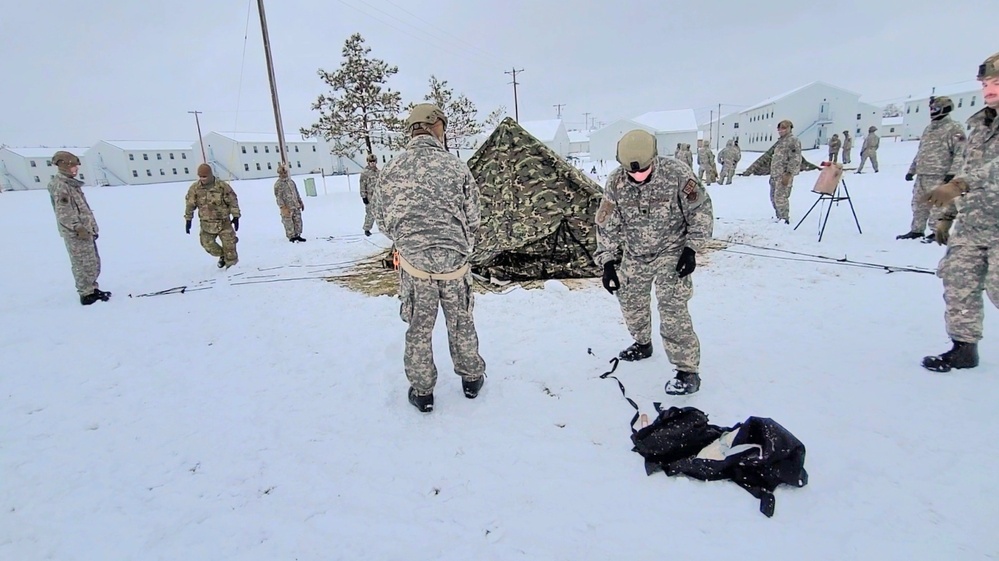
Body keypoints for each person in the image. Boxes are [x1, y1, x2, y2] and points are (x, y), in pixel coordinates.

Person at [376, 103, 486, 412]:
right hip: (454, 266)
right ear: (436, 125)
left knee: (419, 329)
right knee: (461, 321)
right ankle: (472, 378)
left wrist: (411, 243)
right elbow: (474, 217)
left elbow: (383, 221)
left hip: (415, 268)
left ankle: (423, 392)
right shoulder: (456, 167)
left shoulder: (390, 170)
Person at [595, 130, 714, 395]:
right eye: (632, 172)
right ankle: (642, 342)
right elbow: (607, 225)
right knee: (629, 298)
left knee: (671, 304)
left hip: (671, 249)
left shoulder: (677, 174)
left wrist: (692, 249)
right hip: (636, 252)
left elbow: (701, 211)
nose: (638, 176)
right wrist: (607, 262)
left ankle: (687, 370)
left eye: (643, 171)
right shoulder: (615, 182)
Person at [922, 52, 999, 373]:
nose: (988, 90)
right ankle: (964, 348)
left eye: (996, 83)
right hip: (972, 225)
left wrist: (960, 185)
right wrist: (947, 216)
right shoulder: (980, 125)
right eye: (985, 83)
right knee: (958, 282)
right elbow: (966, 169)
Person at [896, 96, 966, 242]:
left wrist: (953, 173)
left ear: (945, 109)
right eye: (932, 109)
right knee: (918, 203)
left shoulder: (954, 128)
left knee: (938, 205)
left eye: (936, 109)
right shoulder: (928, 129)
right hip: (923, 174)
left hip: (940, 174)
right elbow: (921, 151)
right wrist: (912, 170)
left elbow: (961, 151)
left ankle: (937, 233)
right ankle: (917, 230)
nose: (932, 112)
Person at [47, 151, 110, 305]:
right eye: (73, 166)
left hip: (85, 232)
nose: (76, 169)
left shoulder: (70, 184)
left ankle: (92, 288)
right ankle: (86, 294)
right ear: (64, 165)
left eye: (76, 166)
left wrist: (90, 228)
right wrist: (78, 228)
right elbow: (64, 213)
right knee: (82, 263)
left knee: (91, 262)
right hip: (76, 234)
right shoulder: (61, 186)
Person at [184, 163, 241, 268]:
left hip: (224, 223)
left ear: (210, 175)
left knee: (230, 250)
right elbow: (190, 204)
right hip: (207, 225)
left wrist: (236, 216)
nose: (202, 179)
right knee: (207, 244)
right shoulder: (195, 188)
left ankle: (232, 271)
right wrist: (188, 220)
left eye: (204, 176)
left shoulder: (222, 186)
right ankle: (222, 255)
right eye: (200, 176)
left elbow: (232, 201)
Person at [769, 119, 802, 224]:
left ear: (789, 128)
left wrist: (788, 173)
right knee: (774, 197)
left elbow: (795, 158)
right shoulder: (781, 141)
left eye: (784, 128)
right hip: (775, 174)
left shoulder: (793, 141)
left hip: (784, 174)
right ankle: (779, 217)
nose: (781, 130)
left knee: (781, 197)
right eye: (779, 128)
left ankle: (784, 219)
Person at [274, 162, 306, 242]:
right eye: (283, 173)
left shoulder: (291, 182)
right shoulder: (278, 184)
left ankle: (298, 234)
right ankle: (291, 236)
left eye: (286, 172)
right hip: (287, 207)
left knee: (297, 221)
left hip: (295, 206)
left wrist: (300, 202)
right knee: (289, 223)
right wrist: (283, 207)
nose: (285, 174)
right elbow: (278, 197)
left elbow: (296, 192)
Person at [360, 153, 379, 236]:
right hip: (370, 197)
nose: (372, 163)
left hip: (378, 196)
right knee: (370, 214)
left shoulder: (378, 172)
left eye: (374, 161)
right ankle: (367, 229)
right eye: (371, 161)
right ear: (368, 162)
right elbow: (362, 185)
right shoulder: (365, 173)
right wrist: (364, 196)